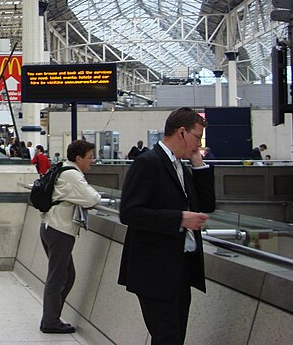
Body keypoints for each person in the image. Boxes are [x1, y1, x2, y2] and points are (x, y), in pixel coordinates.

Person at [118, 107, 215, 345]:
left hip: (179, 268)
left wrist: (199, 165)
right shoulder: (148, 163)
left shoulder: (181, 166)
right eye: (197, 137)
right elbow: (130, 212)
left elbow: (207, 204)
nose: (198, 144)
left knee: (174, 336)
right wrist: (179, 219)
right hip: (155, 271)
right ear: (182, 133)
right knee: (167, 337)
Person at [39, 139, 102, 334]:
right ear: (78, 158)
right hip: (60, 230)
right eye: (90, 157)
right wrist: (92, 197)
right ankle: (50, 321)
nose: (93, 161)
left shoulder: (62, 168)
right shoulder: (74, 176)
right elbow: (92, 198)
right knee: (58, 278)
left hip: (50, 226)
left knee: (66, 275)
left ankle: (53, 316)